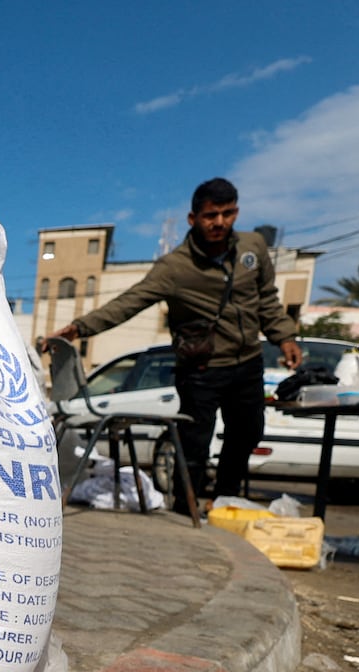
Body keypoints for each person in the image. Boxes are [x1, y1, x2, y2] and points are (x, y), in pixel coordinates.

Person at [46, 177, 303, 505]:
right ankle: (187, 505)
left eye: (227, 214)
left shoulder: (252, 249)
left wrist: (285, 338)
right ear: (193, 219)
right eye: (211, 216)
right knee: (194, 440)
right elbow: (130, 302)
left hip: (247, 361)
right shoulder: (175, 267)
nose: (219, 223)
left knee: (248, 431)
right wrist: (80, 327)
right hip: (201, 367)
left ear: (236, 212)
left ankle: (225, 498)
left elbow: (267, 299)